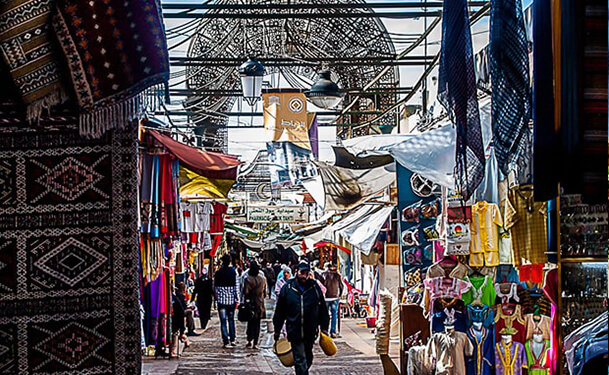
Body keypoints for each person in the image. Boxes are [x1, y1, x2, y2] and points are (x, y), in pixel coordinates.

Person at [273, 261, 330, 375]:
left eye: (307, 273)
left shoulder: (314, 287)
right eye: (302, 273)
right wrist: (277, 329)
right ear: (296, 272)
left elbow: (322, 308)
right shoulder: (288, 288)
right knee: (300, 359)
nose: (304, 276)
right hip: (294, 330)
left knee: (308, 357)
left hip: (310, 330)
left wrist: (324, 327)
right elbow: (280, 310)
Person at [214, 254, 239, 348]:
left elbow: (215, 288)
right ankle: (232, 339)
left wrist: (218, 297)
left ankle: (225, 340)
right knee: (231, 320)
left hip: (221, 301)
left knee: (223, 321)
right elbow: (236, 288)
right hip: (231, 301)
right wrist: (237, 300)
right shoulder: (234, 272)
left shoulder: (218, 273)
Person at [243, 261, 267, 349]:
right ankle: (255, 343)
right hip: (259, 303)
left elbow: (245, 292)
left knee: (250, 322)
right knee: (257, 323)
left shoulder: (248, 279)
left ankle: (249, 339)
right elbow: (265, 293)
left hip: (250, 302)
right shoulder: (263, 279)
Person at [322, 263, 344, 338]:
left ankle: (325, 331)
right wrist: (340, 295)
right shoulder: (337, 275)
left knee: (325, 316)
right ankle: (333, 332)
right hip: (334, 297)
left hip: (326, 298)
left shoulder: (324, 275)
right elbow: (341, 286)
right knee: (334, 315)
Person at [170, 282, 192, 357]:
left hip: (177, 316)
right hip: (177, 317)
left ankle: (185, 339)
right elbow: (181, 310)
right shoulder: (178, 296)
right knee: (176, 332)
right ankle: (186, 337)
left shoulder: (176, 296)